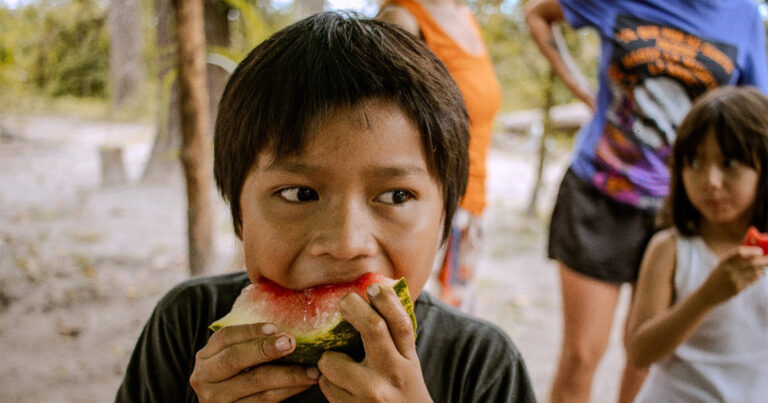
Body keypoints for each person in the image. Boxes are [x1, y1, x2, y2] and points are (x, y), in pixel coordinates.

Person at [115, 11, 536, 403]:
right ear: (239, 213)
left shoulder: (483, 366)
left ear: (444, 216)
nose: (346, 243)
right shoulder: (185, 326)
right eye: (300, 194)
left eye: (396, 196)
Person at [524, 1, 768, 402]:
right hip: (601, 191)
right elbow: (538, 13)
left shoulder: (742, 14)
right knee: (582, 354)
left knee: (643, 365)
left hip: (683, 208)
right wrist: (582, 90)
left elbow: (752, 116)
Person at [626, 86, 768, 402]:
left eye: (729, 163)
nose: (710, 181)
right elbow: (639, 352)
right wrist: (707, 296)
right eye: (694, 162)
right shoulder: (671, 249)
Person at [376, 0, 502, 312]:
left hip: (470, 201)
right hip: (427, 205)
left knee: (448, 323)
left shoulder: (465, 16)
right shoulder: (402, 17)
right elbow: (380, 126)